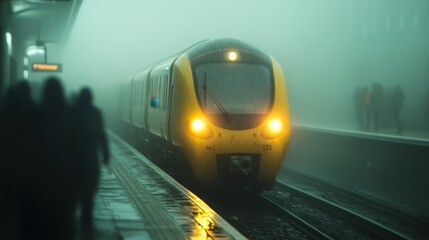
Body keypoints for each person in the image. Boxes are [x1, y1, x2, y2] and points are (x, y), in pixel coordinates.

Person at [71, 87, 109, 234]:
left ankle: (74, 217)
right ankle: (86, 217)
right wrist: (106, 156)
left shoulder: (71, 112)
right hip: (91, 161)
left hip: (73, 161)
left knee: (74, 191)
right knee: (89, 191)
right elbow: (102, 136)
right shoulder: (95, 113)